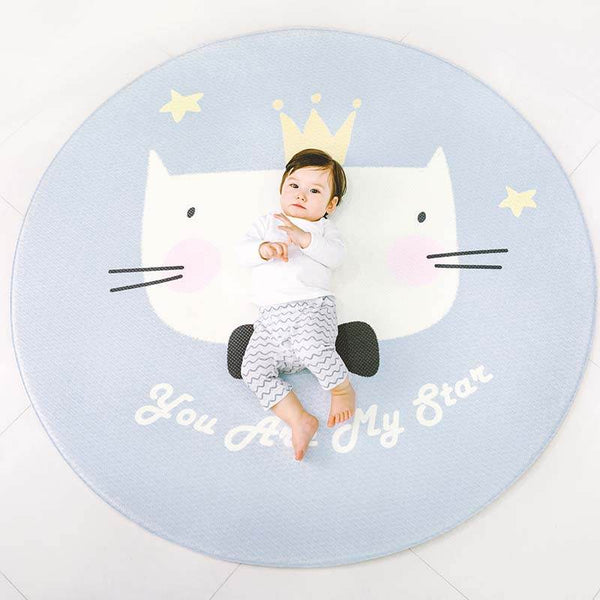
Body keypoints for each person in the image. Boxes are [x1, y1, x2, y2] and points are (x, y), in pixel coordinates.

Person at [235, 148, 356, 461]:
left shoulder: (323, 230)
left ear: (330, 205)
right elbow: (242, 253)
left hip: (311, 308)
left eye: (314, 191)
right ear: (282, 188)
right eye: (294, 185)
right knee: (252, 370)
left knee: (313, 348)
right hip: (269, 319)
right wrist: (263, 249)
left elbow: (336, 257)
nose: (301, 195)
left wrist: (305, 239)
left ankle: (341, 388)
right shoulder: (267, 223)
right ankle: (298, 419)